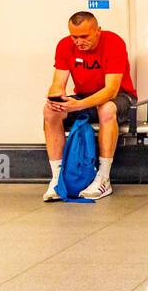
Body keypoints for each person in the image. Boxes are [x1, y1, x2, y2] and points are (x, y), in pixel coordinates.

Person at [42, 11, 136, 201]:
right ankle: (58, 179)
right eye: (74, 36)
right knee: (49, 110)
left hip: (120, 98)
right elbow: (57, 83)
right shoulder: (64, 45)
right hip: (83, 99)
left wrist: (77, 106)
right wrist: (56, 97)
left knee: (107, 108)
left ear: (97, 31)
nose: (78, 42)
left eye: (84, 36)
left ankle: (103, 178)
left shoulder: (113, 43)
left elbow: (111, 90)